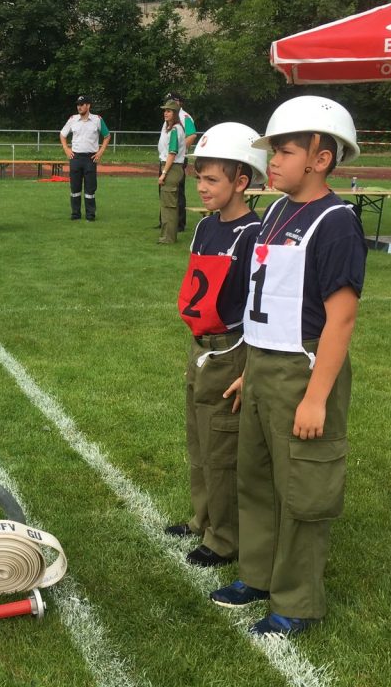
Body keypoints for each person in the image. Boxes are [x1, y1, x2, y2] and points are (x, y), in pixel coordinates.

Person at [209, 96, 366, 640]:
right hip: (263, 366)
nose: (271, 161)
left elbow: (340, 319)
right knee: (254, 478)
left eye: (284, 150)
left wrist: (317, 396)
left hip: (303, 368)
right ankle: (256, 574)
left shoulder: (336, 222)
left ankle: (297, 600)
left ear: (321, 158)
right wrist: (249, 368)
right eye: (272, 150)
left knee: (302, 487)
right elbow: (267, 299)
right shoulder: (275, 212)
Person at [165, 123, 267, 569]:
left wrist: (249, 363)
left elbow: (259, 306)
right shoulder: (206, 227)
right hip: (201, 346)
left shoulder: (255, 235)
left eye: (212, 180)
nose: (202, 187)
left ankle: (224, 538)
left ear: (241, 181)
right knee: (198, 439)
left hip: (232, 349)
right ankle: (203, 517)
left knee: (222, 446)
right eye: (199, 177)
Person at [59, 95, 110, 221]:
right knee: (75, 188)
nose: (79, 107)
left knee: (90, 188)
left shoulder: (97, 120)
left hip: (90, 158)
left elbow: (107, 135)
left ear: (88, 105)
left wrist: (100, 151)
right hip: (75, 157)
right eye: (78, 105)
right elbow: (62, 134)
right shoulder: (73, 119)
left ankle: (90, 215)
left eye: (82, 104)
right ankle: (75, 214)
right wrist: (66, 149)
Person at [156, 100, 188, 244]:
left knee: (168, 205)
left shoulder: (175, 130)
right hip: (173, 166)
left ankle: (167, 238)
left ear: (175, 113)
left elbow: (172, 152)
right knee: (171, 204)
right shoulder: (173, 128)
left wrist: (164, 173)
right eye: (165, 110)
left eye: (169, 111)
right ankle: (169, 235)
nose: (165, 113)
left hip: (172, 167)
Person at [166, 92, 198, 232]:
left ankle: (179, 223)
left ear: (179, 102)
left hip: (177, 159)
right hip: (168, 158)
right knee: (166, 190)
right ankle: (165, 221)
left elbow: (192, 135)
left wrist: (180, 150)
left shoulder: (184, 117)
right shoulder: (171, 116)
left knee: (177, 191)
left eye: (172, 100)